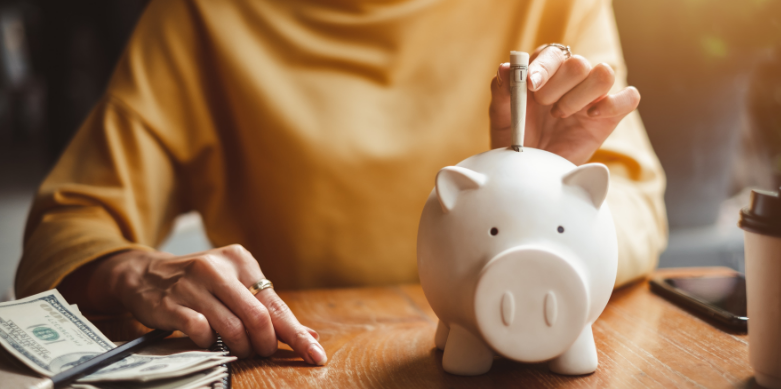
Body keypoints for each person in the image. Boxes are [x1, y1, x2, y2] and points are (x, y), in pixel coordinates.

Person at [15, 0, 667, 366]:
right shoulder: (201, 17)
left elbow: (637, 206)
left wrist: (542, 185)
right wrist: (135, 271)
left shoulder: (549, 6)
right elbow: (64, 230)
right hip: (301, 369)